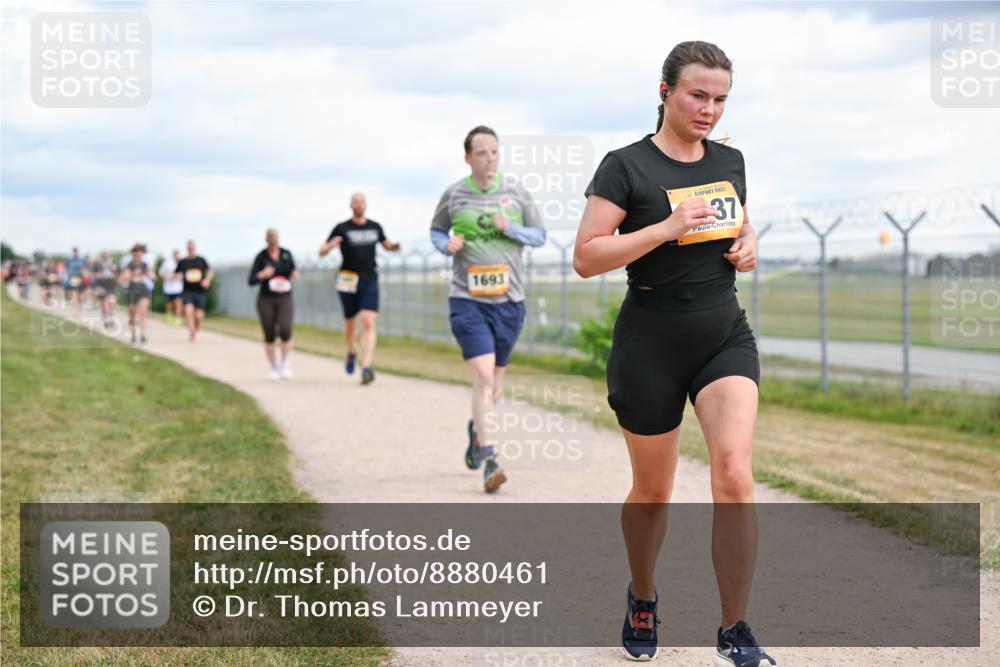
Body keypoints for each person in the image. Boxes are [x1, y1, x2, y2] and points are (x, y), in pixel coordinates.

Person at [572, 42, 774, 665]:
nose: (709, 109)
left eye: (720, 99)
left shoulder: (731, 160)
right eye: (697, 95)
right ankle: (642, 594)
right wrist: (663, 227)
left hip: (721, 333)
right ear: (665, 93)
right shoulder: (624, 166)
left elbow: (737, 224)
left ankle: (735, 629)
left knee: (735, 477)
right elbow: (586, 257)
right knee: (653, 493)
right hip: (649, 341)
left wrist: (749, 243)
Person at [430, 125, 546, 493]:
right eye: (482, 152)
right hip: (467, 300)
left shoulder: (516, 192)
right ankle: (490, 458)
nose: (490, 158)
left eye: (494, 151)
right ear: (468, 158)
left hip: (510, 302)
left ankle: (478, 429)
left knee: (494, 383)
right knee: (482, 376)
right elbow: (436, 231)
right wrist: (445, 244)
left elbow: (539, 236)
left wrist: (509, 227)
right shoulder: (454, 195)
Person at [320, 192, 401, 385]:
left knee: (368, 319)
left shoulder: (375, 227)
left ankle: (366, 366)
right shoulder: (341, 228)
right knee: (350, 324)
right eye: (355, 202)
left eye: (362, 201)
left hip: (369, 277)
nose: (359, 204)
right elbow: (321, 251)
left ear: (366, 205)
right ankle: (351, 350)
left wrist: (394, 247)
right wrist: (330, 245)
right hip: (347, 278)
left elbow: (386, 244)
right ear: (350, 205)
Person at [248, 229, 299, 380]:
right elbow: (250, 280)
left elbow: (293, 270)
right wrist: (262, 275)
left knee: (285, 329)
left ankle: (285, 363)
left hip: (284, 297)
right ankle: (273, 366)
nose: (274, 242)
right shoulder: (261, 256)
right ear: (267, 240)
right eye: (271, 240)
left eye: (276, 239)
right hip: (266, 298)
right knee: (269, 333)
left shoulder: (286, 254)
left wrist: (295, 274)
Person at [175, 240, 213, 342]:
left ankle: (197, 323)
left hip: (199, 291)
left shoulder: (201, 260)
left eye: (193, 247)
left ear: (195, 248)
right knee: (188, 311)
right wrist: (177, 277)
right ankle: (192, 332)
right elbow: (176, 273)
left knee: (199, 315)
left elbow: (210, 270)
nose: (191, 249)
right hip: (187, 291)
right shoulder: (183, 262)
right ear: (187, 248)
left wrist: (207, 280)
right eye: (189, 248)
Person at [120, 244, 152, 344]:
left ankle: (142, 335)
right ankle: (134, 334)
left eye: (140, 252)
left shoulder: (145, 265)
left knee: (143, 312)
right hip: (132, 290)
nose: (138, 254)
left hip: (143, 289)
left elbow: (151, 276)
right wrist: (134, 274)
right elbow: (124, 278)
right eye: (136, 252)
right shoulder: (129, 265)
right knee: (132, 313)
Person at [93, 251, 119, 329]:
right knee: (103, 303)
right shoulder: (98, 264)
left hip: (111, 285)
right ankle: (105, 319)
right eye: (104, 256)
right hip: (102, 285)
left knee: (111, 302)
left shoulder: (113, 264)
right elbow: (96, 275)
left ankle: (110, 317)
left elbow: (117, 274)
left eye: (107, 255)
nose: (106, 257)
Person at [159, 249, 184, 326]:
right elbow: (161, 273)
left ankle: (177, 319)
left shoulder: (182, 263)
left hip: (178, 288)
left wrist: (180, 277)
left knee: (178, 302)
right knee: (170, 304)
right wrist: (169, 276)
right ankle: (169, 314)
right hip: (169, 288)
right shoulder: (167, 263)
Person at [65, 247, 87, 311]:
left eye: (76, 251)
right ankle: (76, 308)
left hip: (81, 276)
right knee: (75, 291)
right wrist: (68, 273)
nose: (75, 252)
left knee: (81, 293)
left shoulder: (81, 259)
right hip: (73, 276)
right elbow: (67, 267)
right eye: (74, 251)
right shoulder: (70, 259)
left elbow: (84, 267)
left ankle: (78, 305)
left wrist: (84, 273)